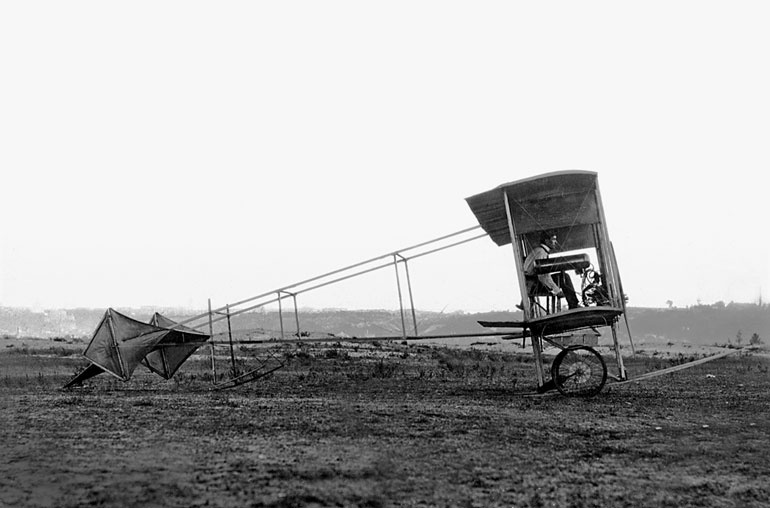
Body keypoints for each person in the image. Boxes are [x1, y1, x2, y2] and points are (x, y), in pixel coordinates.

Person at [518, 232, 579, 310]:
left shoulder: (537, 251)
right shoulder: (541, 253)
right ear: (546, 241)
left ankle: (573, 304)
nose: (555, 242)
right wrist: (556, 290)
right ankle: (573, 305)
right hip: (535, 285)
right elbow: (543, 276)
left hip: (530, 285)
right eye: (553, 239)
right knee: (564, 277)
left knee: (562, 276)